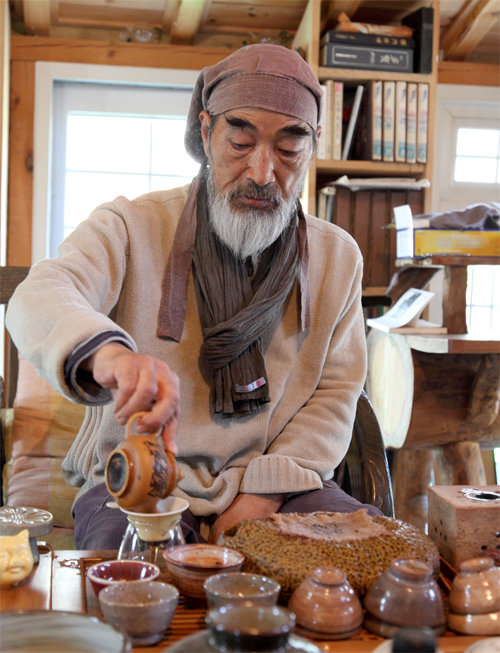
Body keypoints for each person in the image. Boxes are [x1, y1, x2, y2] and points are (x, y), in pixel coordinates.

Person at [6, 43, 380, 550]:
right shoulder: (130, 226)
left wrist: (260, 498)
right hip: (140, 481)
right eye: (241, 142)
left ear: (312, 145)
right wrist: (110, 355)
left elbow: (337, 392)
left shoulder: (338, 258)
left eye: (289, 149)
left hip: (279, 483)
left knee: (373, 562)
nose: (262, 172)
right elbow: (40, 294)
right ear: (206, 132)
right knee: (129, 587)